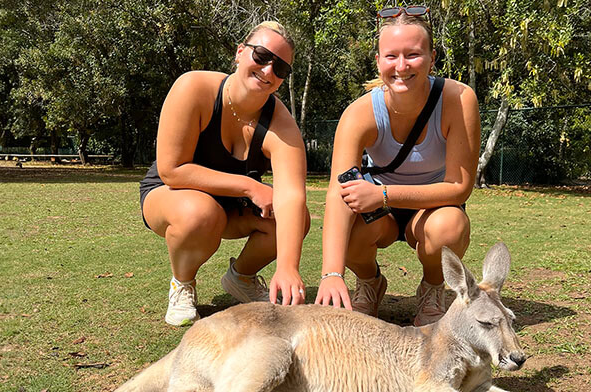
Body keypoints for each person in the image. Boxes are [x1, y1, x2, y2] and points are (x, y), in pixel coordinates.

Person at [314, 6, 481, 326]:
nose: (401, 66)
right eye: (391, 56)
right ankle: (369, 282)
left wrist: (385, 194)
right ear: (378, 61)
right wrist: (331, 274)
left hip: (433, 206)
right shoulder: (359, 113)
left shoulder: (458, 99)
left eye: (413, 55)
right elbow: (339, 190)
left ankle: (433, 287)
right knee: (347, 231)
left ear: (432, 58)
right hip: (380, 213)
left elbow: (459, 187)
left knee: (449, 227)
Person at [139, 21, 309, 326]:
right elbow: (171, 170)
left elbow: (293, 196)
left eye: (281, 68)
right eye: (261, 56)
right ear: (240, 52)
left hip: (232, 206)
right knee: (200, 213)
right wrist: (247, 186)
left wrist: (287, 266)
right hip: (171, 195)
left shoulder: (280, 123)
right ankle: (182, 283)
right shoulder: (194, 88)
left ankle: (241, 278)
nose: (269, 71)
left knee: (295, 218)